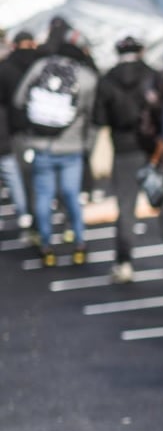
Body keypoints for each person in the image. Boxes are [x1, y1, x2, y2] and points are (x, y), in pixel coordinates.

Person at [12, 20, 99, 267]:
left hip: (41, 144)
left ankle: (47, 246)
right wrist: (87, 146)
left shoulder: (40, 67)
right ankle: (80, 242)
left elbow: (20, 99)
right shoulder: (86, 78)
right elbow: (91, 116)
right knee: (72, 195)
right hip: (71, 147)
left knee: (43, 196)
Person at [93, 35, 158, 283]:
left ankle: (124, 262)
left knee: (125, 208)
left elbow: (100, 118)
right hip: (152, 147)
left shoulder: (108, 79)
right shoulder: (151, 75)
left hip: (122, 148)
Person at [0, 30, 38, 237]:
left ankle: (27, 213)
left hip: (16, 129)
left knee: (17, 172)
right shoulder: (41, 63)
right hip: (45, 127)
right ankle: (28, 212)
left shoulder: (6, 68)